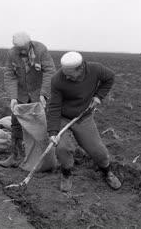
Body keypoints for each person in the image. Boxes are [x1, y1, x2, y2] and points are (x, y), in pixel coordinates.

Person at [48, 51, 122, 192]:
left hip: (84, 117)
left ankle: (107, 172)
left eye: (69, 74)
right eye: (64, 73)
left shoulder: (95, 69)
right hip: (63, 118)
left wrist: (98, 96)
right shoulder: (57, 79)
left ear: (80, 68)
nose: (66, 76)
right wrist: (53, 132)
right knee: (62, 147)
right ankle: (66, 173)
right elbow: (54, 106)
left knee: (98, 151)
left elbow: (110, 78)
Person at [0, 32, 56, 168]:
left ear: (29, 43)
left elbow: (50, 71)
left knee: (42, 126)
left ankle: (46, 157)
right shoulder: (12, 54)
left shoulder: (40, 49)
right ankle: (15, 156)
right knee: (16, 124)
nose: (23, 51)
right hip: (21, 94)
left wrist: (44, 94)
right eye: (20, 49)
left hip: (38, 94)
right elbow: (9, 75)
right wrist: (13, 97)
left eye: (24, 48)